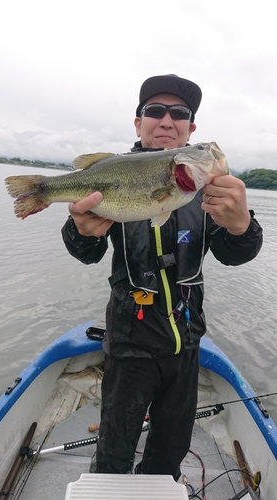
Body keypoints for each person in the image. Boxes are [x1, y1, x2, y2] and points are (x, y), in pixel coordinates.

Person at [61, 74, 263, 480]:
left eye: (179, 113)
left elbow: (236, 254)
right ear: (138, 124)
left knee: (170, 450)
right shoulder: (114, 174)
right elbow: (88, 253)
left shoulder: (207, 191)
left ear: (191, 129)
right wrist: (80, 231)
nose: (166, 120)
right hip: (129, 343)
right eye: (155, 111)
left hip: (186, 344)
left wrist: (242, 225)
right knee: (114, 451)